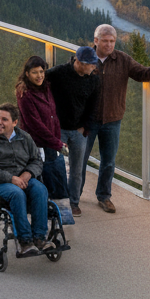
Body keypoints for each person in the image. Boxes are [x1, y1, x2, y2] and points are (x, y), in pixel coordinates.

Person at [80, 24, 150, 213]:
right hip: (87, 120)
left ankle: (104, 196)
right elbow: (70, 78)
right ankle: (74, 197)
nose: (109, 45)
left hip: (112, 119)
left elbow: (143, 74)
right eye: (105, 41)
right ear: (96, 41)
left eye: (112, 41)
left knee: (108, 162)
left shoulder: (123, 60)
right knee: (80, 159)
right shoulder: (85, 57)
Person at [0, 102, 50, 256]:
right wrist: (11, 178)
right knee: (17, 194)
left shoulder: (25, 138)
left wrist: (27, 174)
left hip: (23, 178)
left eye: (4, 120)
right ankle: (25, 241)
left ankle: (40, 237)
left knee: (40, 189)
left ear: (15, 123)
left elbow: (36, 160)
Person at [46, 45, 101, 216]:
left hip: (79, 130)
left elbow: (94, 105)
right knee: (56, 166)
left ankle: (73, 202)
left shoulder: (94, 79)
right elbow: (40, 82)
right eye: (90, 64)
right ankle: (54, 201)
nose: (94, 68)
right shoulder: (59, 73)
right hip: (58, 128)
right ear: (78, 62)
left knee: (77, 169)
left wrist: (85, 127)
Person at [14, 55, 66, 202]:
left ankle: (60, 215)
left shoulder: (46, 87)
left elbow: (52, 116)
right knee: (46, 180)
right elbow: (34, 125)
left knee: (59, 179)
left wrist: (57, 141)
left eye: (41, 71)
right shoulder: (25, 93)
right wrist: (57, 143)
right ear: (27, 73)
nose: (39, 76)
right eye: (35, 72)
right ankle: (45, 212)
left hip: (52, 142)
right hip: (38, 145)